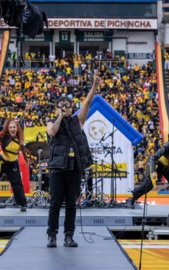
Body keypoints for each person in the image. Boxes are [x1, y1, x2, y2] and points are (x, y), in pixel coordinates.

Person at [45, 71, 102, 248]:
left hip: (74, 169)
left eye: (67, 105)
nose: (65, 108)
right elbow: (52, 132)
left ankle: (69, 235)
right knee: (55, 204)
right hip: (57, 169)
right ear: (57, 108)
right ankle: (52, 235)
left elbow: (87, 102)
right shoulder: (51, 121)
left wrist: (94, 85)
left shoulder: (78, 121)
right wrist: (60, 116)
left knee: (71, 204)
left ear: (72, 107)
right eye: (62, 105)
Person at [127, 129, 169, 208]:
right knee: (149, 185)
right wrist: (154, 171)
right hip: (158, 167)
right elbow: (153, 158)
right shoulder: (166, 147)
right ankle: (132, 198)